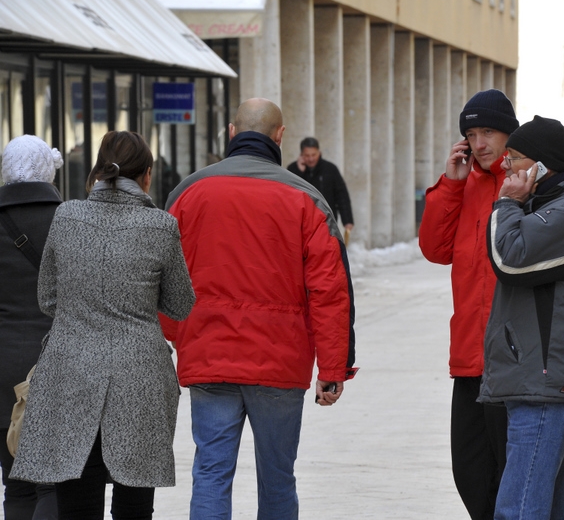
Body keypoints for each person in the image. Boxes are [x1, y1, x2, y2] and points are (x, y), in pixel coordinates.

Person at [160, 98, 357, 520]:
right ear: (280, 136)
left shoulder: (189, 192)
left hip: (209, 357)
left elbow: (162, 273)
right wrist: (333, 367)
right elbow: (330, 290)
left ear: (232, 132)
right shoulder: (305, 198)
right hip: (279, 362)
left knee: (210, 473)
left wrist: (178, 335)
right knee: (278, 477)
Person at [11, 131, 196, 519]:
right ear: (147, 175)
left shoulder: (66, 216)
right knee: (134, 503)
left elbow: (48, 299)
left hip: (71, 371)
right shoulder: (161, 226)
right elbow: (180, 306)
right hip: (140, 375)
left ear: (98, 170)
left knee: (77, 501)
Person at [479, 115, 564, 520]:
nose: (505, 166)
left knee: (519, 511)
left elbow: (509, 258)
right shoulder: (549, 210)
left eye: (514, 157)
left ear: (542, 166)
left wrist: (507, 203)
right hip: (541, 387)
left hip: (546, 391)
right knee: (552, 510)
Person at [418, 88, 518, 520]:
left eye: (488, 133)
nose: (479, 143)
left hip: (514, 358)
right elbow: (435, 249)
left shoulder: (526, 181)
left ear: (509, 133)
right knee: (471, 471)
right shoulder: (465, 184)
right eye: (471, 135)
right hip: (469, 355)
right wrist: (450, 185)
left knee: (514, 473)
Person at [0, 135, 61, 520]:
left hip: (2, 369)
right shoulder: (70, 220)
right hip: (56, 364)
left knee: (15, 483)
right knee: (54, 483)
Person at [287, 137, 354, 231]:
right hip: (302, 223)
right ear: (301, 155)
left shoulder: (330, 169)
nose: (311, 159)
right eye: (307, 155)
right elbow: (289, 195)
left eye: (313, 155)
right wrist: (299, 172)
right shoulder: (292, 170)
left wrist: (347, 220)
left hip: (327, 222)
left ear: (319, 152)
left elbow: (341, 195)